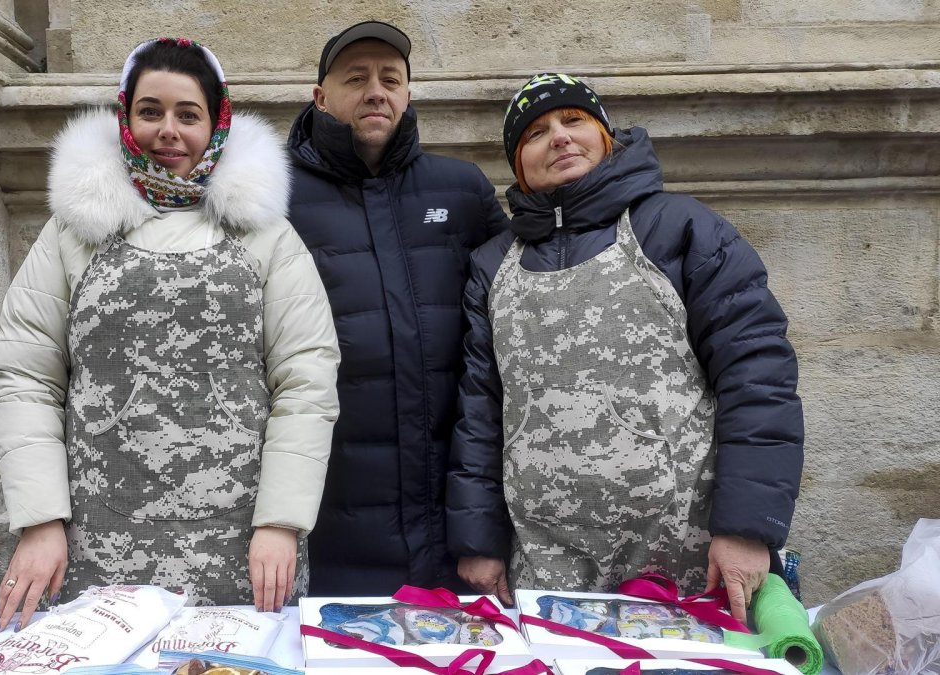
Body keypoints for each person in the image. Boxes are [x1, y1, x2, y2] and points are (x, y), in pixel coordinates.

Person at [0, 37, 340, 632]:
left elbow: (305, 380)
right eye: (150, 111)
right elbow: (26, 376)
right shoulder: (73, 233)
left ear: (217, 123)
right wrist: (41, 520)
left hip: (243, 546)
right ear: (125, 118)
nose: (168, 131)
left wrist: (280, 521)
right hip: (92, 541)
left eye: (188, 114)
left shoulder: (267, 237)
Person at [446, 73, 803, 623]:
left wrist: (746, 528)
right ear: (519, 164)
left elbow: (757, 377)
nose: (560, 137)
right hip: (547, 568)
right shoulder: (494, 264)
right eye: (536, 132)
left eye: (574, 120)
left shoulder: (680, 230)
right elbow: (480, 410)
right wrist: (479, 542)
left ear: (605, 136)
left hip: (682, 559)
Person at [286, 21, 509, 595]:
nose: (376, 91)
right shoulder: (274, 196)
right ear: (321, 97)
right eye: (355, 78)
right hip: (331, 510)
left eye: (391, 78)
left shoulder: (462, 189)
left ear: (409, 93)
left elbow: (509, 323)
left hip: (450, 512)